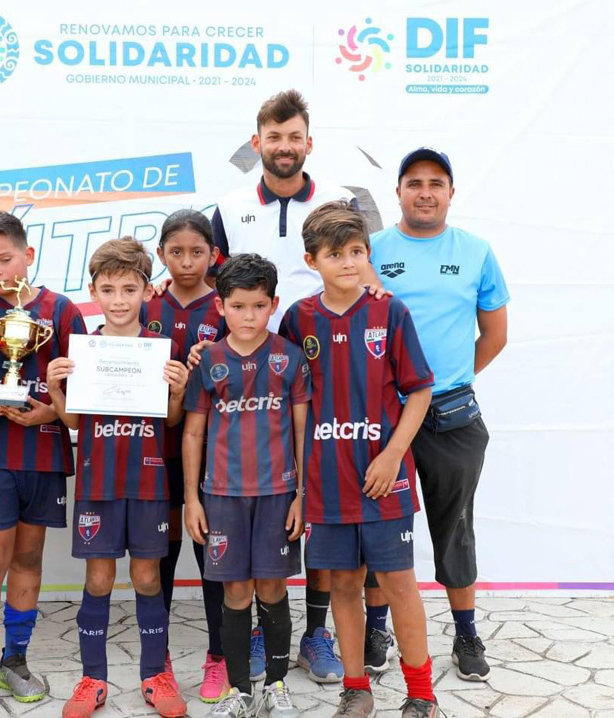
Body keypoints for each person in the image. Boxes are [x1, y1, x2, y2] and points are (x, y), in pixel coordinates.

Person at [210, 89, 357, 683]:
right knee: (247, 501)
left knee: (314, 505)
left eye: (294, 136)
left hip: (325, 371)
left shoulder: (340, 201)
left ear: (308, 142)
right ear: (258, 144)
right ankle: (247, 636)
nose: (285, 147)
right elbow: (215, 284)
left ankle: (316, 633)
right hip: (251, 377)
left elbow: (358, 270)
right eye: (274, 137)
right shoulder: (229, 204)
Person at [280, 202, 439, 717]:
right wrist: (299, 488)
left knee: (398, 584)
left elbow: (419, 391)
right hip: (327, 483)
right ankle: (356, 689)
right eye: (335, 254)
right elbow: (282, 398)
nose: (348, 263)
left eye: (356, 252)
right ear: (312, 259)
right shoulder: (298, 318)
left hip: (383, 478)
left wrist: (394, 454)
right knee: (343, 584)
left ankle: (421, 694)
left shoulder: (390, 311)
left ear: (368, 255)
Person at [361, 148, 509, 682]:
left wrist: (445, 379)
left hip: (452, 416)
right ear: (397, 191)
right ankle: (377, 626)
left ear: (450, 192)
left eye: (436, 183)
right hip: (382, 416)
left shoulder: (475, 252)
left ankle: (466, 632)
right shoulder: (370, 250)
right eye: (414, 182)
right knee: (383, 528)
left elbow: (495, 335)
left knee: (455, 529)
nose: (425, 191)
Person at [47, 237, 190, 718]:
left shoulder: (157, 349)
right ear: (94, 291)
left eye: (129, 289)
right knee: (101, 577)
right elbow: (70, 422)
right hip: (97, 483)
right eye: (108, 289)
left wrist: (178, 390)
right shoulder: (84, 349)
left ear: (146, 291)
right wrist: (53, 386)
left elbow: (171, 421)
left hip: (148, 483)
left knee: (148, 576)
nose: (119, 299)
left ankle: (155, 673)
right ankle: (93, 679)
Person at [0, 211, 87, 714]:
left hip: (45, 452)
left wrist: (53, 410)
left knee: (29, 559)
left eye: (4, 259)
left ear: (28, 255)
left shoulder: (62, 310)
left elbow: (82, 388)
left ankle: (16, 660)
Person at [183, 253, 310, 718]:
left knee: (272, 591)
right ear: (220, 306)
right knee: (235, 593)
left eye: (259, 305)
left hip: (278, 496)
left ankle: (275, 685)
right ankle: (239, 690)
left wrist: (301, 495)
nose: (249, 316)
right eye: (238, 306)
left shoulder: (288, 358)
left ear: (273, 304)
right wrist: (192, 498)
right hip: (223, 497)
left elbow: (300, 431)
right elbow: (193, 431)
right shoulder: (208, 360)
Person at [141, 210, 231, 702]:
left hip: (213, 452)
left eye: (197, 252)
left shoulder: (225, 308)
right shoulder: (146, 303)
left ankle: (219, 656)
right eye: (175, 252)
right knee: (163, 553)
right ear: (161, 256)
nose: (187, 261)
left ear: (214, 255)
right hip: (155, 451)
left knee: (211, 552)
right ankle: (162, 658)